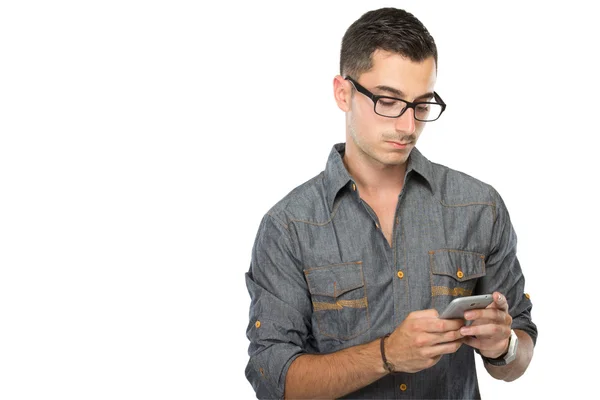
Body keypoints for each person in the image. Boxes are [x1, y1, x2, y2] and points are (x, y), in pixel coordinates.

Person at [245, 7, 537, 399]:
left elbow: (520, 347)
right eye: (387, 100)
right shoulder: (289, 226)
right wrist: (386, 355)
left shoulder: (479, 207)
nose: (407, 126)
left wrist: (505, 346)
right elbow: (272, 379)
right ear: (343, 93)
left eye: (421, 104)